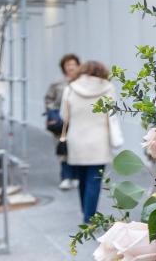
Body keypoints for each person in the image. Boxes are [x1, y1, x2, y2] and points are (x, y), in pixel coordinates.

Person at [61, 60, 119, 224]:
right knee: (94, 179)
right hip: (99, 140)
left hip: (76, 140)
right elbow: (112, 116)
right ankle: (89, 216)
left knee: (82, 178)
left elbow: (64, 116)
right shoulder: (108, 88)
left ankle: (86, 212)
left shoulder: (70, 88)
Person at [45, 53, 81, 191]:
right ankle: (66, 177)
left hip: (78, 121)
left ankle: (76, 177)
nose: (70, 67)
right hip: (61, 122)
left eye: (73, 64)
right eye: (67, 65)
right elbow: (49, 99)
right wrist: (52, 113)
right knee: (63, 150)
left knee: (76, 149)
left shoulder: (82, 83)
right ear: (63, 67)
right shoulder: (57, 83)